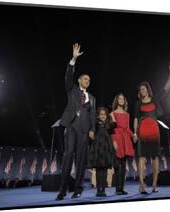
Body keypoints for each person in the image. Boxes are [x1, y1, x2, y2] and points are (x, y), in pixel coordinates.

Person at [56, 43, 96, 201]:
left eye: (89, 79)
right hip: (71, 127)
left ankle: (78, 188)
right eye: (85, 78)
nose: (87, 81)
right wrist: (73, 59)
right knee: (67, 156)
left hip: (85, 130)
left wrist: (92, 129)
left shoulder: (92, 98)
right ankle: (63, 189)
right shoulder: (71, 89)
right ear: (79, 80)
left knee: (81, 159)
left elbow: (93, 114)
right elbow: (67, 77)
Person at [133, 61, 170, 194]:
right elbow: (135, 119)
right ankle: (142, 185)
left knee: (156, 158)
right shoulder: (137, 103)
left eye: (144, 88)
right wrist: (134, 133)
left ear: (148, 89)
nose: (142, 91)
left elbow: (166, 90)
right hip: (142, 133)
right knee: (141, 158)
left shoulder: (154, 99)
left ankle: (155, 185)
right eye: (140, 89)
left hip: (154, 133)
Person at [110, 93, 134, 195]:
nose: (121, 100)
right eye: (119, 98)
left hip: (125, 139)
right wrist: (113, 141)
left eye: (122, 99)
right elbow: (111, 129)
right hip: (116, 138)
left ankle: (122, 188)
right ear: (117, 100)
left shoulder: (127, 114)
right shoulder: (112, 113)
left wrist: (133, 135)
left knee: (123, 165)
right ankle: (117, 189)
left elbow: (128, 129)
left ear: (124, 101)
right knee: (117, 165)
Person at [89, 107, 115, 197]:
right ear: (98, 116)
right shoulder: (96, 124)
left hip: (106, 148)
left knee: (104, 170)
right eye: (101, 114)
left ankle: (103, 189)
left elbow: (114, 127)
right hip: (97, 148)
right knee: (98, 169)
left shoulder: (108, 125)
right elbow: (92, 133)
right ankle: (98, 189)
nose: (103, 116)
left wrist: (112, 117)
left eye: (104, 114)